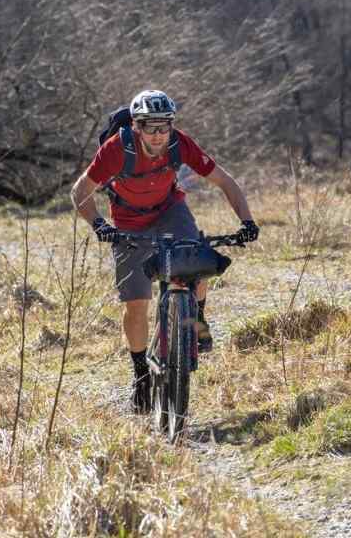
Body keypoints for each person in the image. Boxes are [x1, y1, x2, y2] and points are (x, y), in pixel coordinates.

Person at [70, 89, 259, 413]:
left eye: (163, 127)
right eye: (149, 127)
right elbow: (80, 191)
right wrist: (100, 225)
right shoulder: (117, 149)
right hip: (128, 221)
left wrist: (247, 221)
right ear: (137, 126)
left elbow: (225, 181)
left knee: (197, 257)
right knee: (136, 303)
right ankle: (142, 374)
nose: (157, 135)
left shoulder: (178, 144)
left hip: (169, 210)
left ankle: (195, 320)